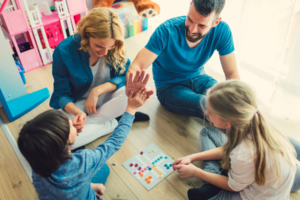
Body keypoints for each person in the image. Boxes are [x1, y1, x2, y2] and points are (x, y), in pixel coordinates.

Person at [172, 80, 300, 200]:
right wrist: (193, 157)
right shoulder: (253, 121)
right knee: (208, 132)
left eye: (210, 112)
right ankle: (212, 181)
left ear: (228, 123)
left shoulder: (242, 154)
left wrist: (196, 172)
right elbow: (227, 148)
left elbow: (233, 187)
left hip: (256, 194)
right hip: (278, 178)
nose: (206, 112)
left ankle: (211, 187)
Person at [18, 87, 151, 200]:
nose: (71, 122)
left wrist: (90, 186)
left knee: (103, 169)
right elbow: (115, 141)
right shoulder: (84, 161)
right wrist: (131, 109)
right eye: (69, 124)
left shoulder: (38, 163)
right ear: (66, 142)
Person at [49, 7, 153, 150]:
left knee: (128, 94)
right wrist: (78, 113)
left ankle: (98, 125)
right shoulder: (64, 51)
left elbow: (124, 76)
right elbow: (61, 94)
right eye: (98, 46)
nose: (104, 52)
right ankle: (116, 121)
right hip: (77, 104)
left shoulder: (115, 46)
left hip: (105, 99)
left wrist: (97, 91)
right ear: (86, 35)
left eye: (109, 47)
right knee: (54, 140)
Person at [126, 0, 240, 120]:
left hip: (200, 78)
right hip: (169, 88)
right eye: (190, 19)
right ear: (190, 6)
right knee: (210, 105)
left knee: (226, 101)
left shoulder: (222, 31)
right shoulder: (166, 31)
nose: (192, 30)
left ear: (215, 22)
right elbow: (137, 66)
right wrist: (131, 84)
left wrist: (240, 99)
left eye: (201, 25)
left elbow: (232, 74)